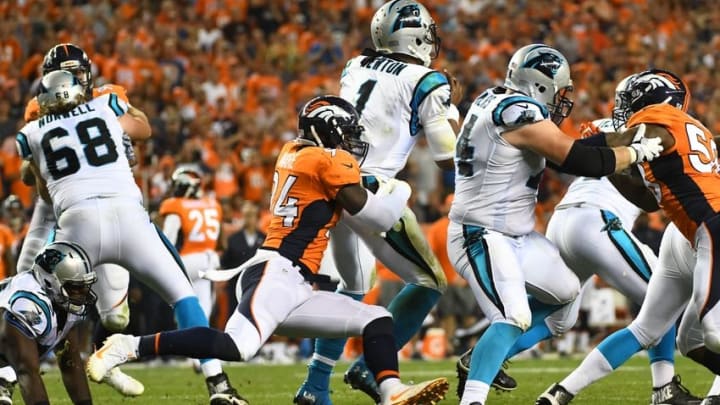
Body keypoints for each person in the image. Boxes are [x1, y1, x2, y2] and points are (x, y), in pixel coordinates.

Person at [86, 95, 449, 405]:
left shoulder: (296, 153)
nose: (352, 141)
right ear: (327, 129)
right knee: (236, 346)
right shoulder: (325, 160)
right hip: (276, 273)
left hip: (296, 282)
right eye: (348, 132)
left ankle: (392, 392)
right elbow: (380, 218)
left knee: (377, 319)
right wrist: (399, 188)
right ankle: (127, 346)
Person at [447, 44, 665, 405]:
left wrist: (623, 138)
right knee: (513, 314)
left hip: (514, 233)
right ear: (541, 85)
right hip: (481, 233)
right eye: (560, 90)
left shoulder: (495, 98)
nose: (564, 100)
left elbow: (577, 144)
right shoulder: (520, 110)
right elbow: (576, 158)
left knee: (565, 294)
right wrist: (634, 153)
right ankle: (473, 398)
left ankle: (485, 356)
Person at [16, 70, 244, 405]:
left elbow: (44, 194)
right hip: (129, 216)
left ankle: (8, 376)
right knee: (184, 297)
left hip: (78, 223)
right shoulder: (106, 106)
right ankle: (218, 383)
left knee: (42, 302)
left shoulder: (31, 132)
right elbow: (143, 129)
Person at [297, 2, 461, 403]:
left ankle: (316, 386)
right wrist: (450, 106)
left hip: (335, 181)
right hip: (373, 191)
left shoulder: (355, 65)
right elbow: (446, 155)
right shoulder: (428, 80)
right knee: (430, 281)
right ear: (416, 35)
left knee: (351, 288)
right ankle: (371, 368)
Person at [535, 69, 720, 405]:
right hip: (688, 233)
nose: (623, 109)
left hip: (713, 226)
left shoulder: (658, 122)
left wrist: (573, 147)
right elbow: (649, 201)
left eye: (628, 101)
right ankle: (559, 394)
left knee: (714, 332)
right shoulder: (682, 132)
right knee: (674, 336)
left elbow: (588, 154)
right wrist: (612, 163)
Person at [13, 43, 142, 397]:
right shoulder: (38, 108)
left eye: (78, 72)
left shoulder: (108, 98)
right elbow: (29, 176)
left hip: (106, 200)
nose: (74, 80)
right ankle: (8, 376)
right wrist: (36, 163)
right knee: (24, 282)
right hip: (55, 205)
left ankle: (102, 356)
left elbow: (137, 138)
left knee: (116, 317)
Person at [0, 242, 96, 405]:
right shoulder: (27, 303)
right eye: (75, 288)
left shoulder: (61, 302)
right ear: (51, 281)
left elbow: (69, 362)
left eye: (84, 288)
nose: (82, 295)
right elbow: (27, 371)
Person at [160, 166, 222, 318]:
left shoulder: (176, 206)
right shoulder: (212, 204)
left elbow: (168, 241)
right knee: (203, 312)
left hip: (186, 262)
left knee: (182, 311)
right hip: (210, 261)